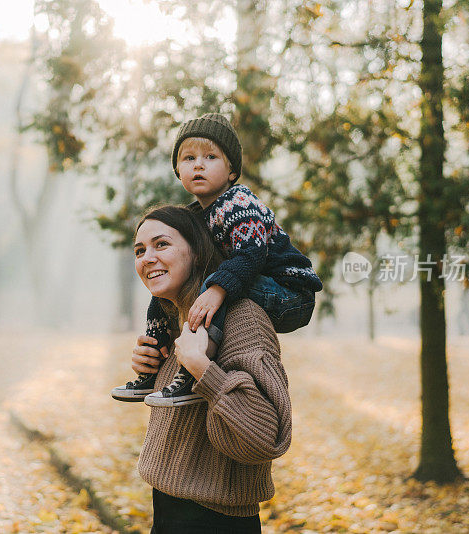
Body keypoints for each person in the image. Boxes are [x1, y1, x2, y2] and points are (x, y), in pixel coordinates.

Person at [112, 112, 322, 406]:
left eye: (210, 157)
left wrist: (216, 291)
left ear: (231, 171)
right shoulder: (195, 217)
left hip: (290, 292)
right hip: (255, 283)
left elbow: (251, 254)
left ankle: (192, 368)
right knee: (162, 292)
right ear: (178, 170)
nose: (198, 164)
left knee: (213, 282)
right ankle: (152, 367)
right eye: (188, 158)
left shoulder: (239, 202)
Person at [129, 205, 292, 532]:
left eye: (161, 245)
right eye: (139, 250)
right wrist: (152, 370)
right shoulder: (181, 321)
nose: (147, 257)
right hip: (167, 510)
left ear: (198, 251)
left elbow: (268, 438)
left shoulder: (242, 318)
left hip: (216, 522)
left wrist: (201, 368)